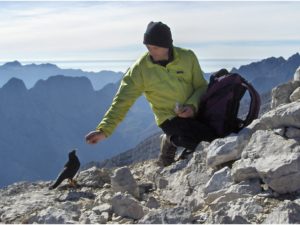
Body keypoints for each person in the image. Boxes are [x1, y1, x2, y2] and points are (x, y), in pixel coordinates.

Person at [85, 21, 216, 167]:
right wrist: (104, 130)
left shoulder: (188, 57)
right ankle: (169, 139)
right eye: (148, 47)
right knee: (206, 142)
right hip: (169, 118)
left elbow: (201, 87)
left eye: (155, 47)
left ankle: (179, 139)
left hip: (196, 110)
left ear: (167, 45)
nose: (151, 52)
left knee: (220, 131)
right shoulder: (140, 69)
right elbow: (122, 101)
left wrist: (192, 106)